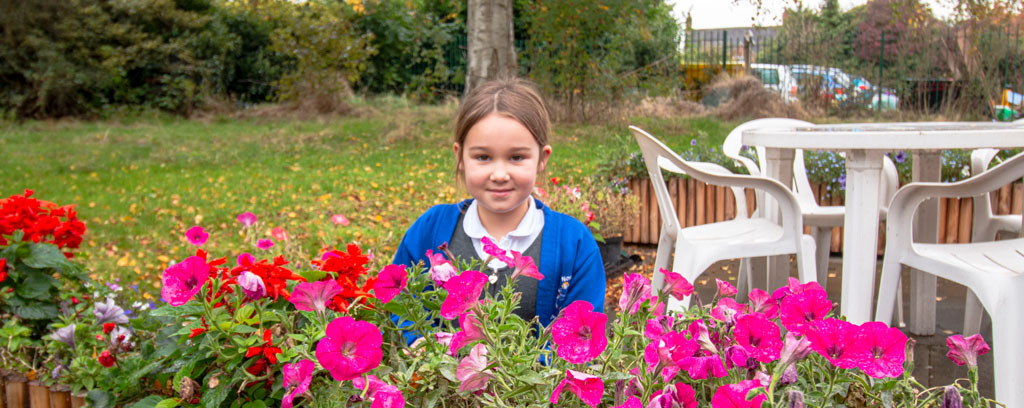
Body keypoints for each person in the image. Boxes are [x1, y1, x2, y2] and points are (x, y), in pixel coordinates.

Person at [392, 78, 605, 327]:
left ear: (541, 159)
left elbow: (583, 336)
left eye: (516, 157)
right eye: (483, 157)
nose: (500, 174)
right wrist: (416, 346)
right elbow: (399, 309)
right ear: (460, 157)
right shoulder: (431, 228)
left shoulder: (574, 243)